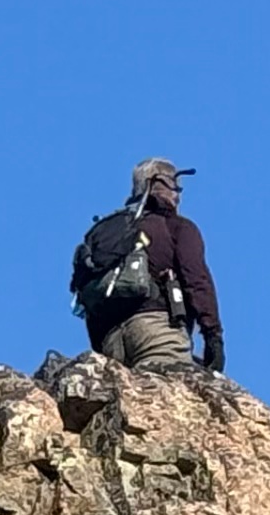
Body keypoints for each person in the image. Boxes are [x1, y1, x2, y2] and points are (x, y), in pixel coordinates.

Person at [71, 159, 225, 376]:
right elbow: (197, 281)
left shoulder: (104, 231)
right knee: (174, 399)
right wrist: (213, 336)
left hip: (110, 342)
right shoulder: (177, 227)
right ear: (158, 182)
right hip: (157, 331)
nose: (178, 195)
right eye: (175, 186)